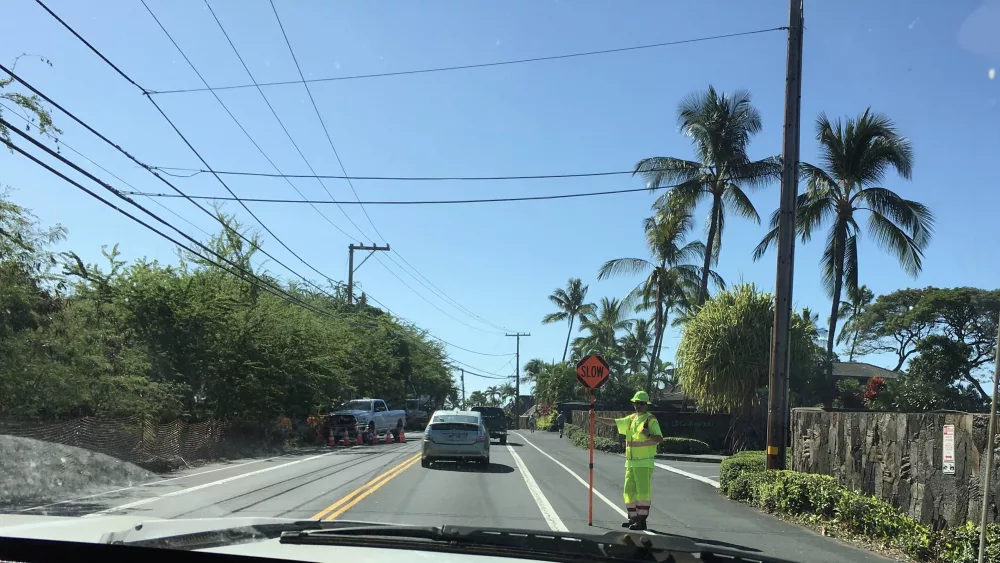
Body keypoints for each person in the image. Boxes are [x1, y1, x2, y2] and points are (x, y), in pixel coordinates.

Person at [595, 390, 662, 531]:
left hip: (644, 463)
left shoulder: (651, 420)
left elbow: (659, 438)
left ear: (646, 405)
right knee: (628, 491)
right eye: (637, 403)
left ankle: (642, 520)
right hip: (630, 463)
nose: (639, 406)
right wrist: (597, 418)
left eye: (641, 403)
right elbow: (614, 422)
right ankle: (633, 518)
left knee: (642, 493)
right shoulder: (631, 419)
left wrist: (649, 434)